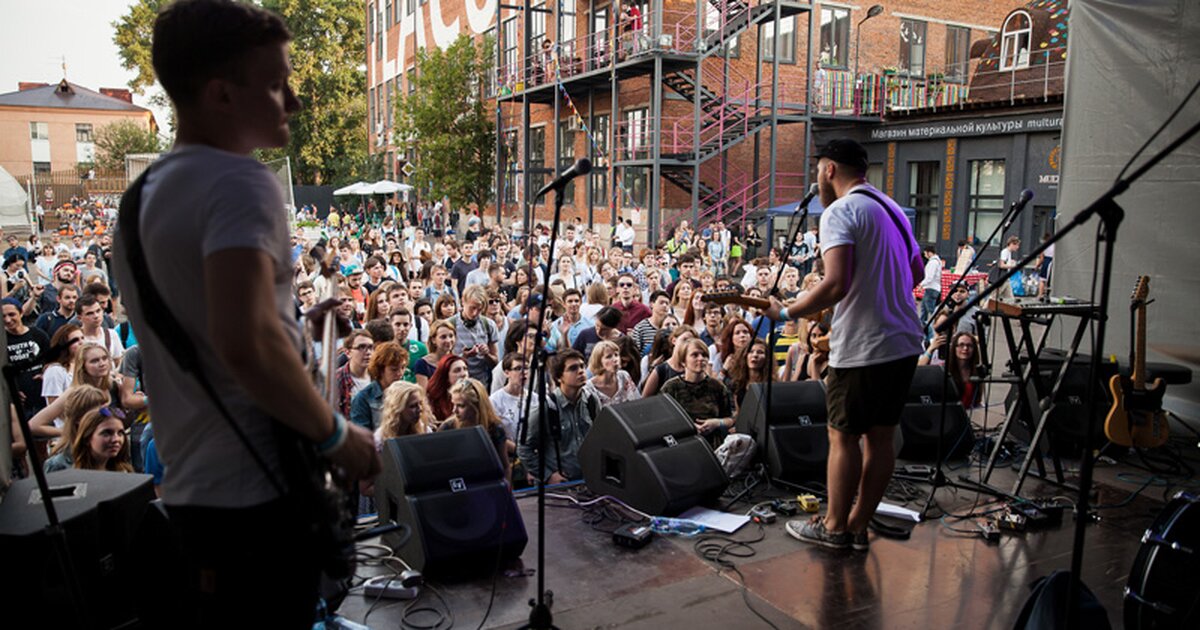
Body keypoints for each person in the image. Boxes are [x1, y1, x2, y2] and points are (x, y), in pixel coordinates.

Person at [112, 3, 379, 626]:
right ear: (221, 94)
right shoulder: (239, 182)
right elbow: (244, 343)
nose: (294, 102)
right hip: (259, 497)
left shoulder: (140, 199)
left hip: (195, 496)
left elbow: (209, 334)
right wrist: (338, 436)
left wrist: (299, 331)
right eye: (276, 83)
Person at [764, 138, 923, 552]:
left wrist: (786, 312)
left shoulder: (840, 210)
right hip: (904, 341)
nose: (817, 177)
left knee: (843, 436)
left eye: (817, 169)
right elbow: (917, 273)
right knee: (882, 438)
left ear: (829, 169)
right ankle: (857, 525)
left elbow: (835, 283)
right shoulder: (892, 209)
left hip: (864, 345)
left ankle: (834, 527)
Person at [517, 350, 600, 484]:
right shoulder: (546, 407)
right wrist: (548, 475)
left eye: (582, 366)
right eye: (573, 368)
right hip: (561, 486)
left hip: (589, 480)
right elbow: (524, 448)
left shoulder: (591, 400)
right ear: (559, 377)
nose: (580, 371)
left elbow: (600, 438)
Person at [660, 338, 734, 448]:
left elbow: (730, 419)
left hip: (712, 446)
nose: (701, 358)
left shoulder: (717, 387)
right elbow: (662, 422)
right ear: (683, 361)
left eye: (704, 355)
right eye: (695, 355)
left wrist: (716, 423)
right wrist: (688, 427)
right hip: (681, 445)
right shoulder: (671, 387)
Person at [440, 378, 512, 482]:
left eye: (461, 406)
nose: (454, 410)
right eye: (453, 404)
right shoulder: (448, 427)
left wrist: (505, 488)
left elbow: (505, 467)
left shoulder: (495, 429)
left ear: (476, 406)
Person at [40, 385, 111, 471]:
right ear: (79, 419)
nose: (106, 416)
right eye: (99, 413)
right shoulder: (59, 464)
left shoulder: (112, 452)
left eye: (106, 411)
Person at [4, 297, 51, 416]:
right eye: (3, 316)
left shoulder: (38, 335)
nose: (8, 320)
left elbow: (53, 360)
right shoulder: (2, 341)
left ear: (21, 313)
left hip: (42, 397)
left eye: (11, 314)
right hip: (20, 403)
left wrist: (47, 374)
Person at [349, 341, 409, 432]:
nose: (400, 373)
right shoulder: (363, 398)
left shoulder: (407, 392)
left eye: (403, 367)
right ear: (380, 370)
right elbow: (362, 434)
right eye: (394, 369)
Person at [451, 285, 500, 388]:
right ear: (463, 302)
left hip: (481, 384)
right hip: (456, 385)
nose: (475, 313)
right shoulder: (450, 325)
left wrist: (486, 354)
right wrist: (463, 356)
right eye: (472, 308)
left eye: (479, 310)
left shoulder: (488, 325)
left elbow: (496, 362)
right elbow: (442, 361)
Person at [586, 340, 640, 406]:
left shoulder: (624, 376)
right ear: (599, 361)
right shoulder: (589, 388)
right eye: (609, 357)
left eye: (616, 355)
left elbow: (638, 402)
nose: (615, 359)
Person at [426, 353, 469, 423]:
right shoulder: (432, 401)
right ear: (446, 377)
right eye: (457, 370)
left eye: (465, 369)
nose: (464, 374)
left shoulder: (474, 395)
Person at [918, 246, 943, 340]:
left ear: (929, 252)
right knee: (924, 311)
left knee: (931, 313)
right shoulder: (937, 261)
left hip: (931, 289)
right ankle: (922, 331)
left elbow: (929, 277)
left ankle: (932, 335)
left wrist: (921, 284)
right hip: (932, 289)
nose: (925, 255)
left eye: (925, 253)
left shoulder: (933, 262)